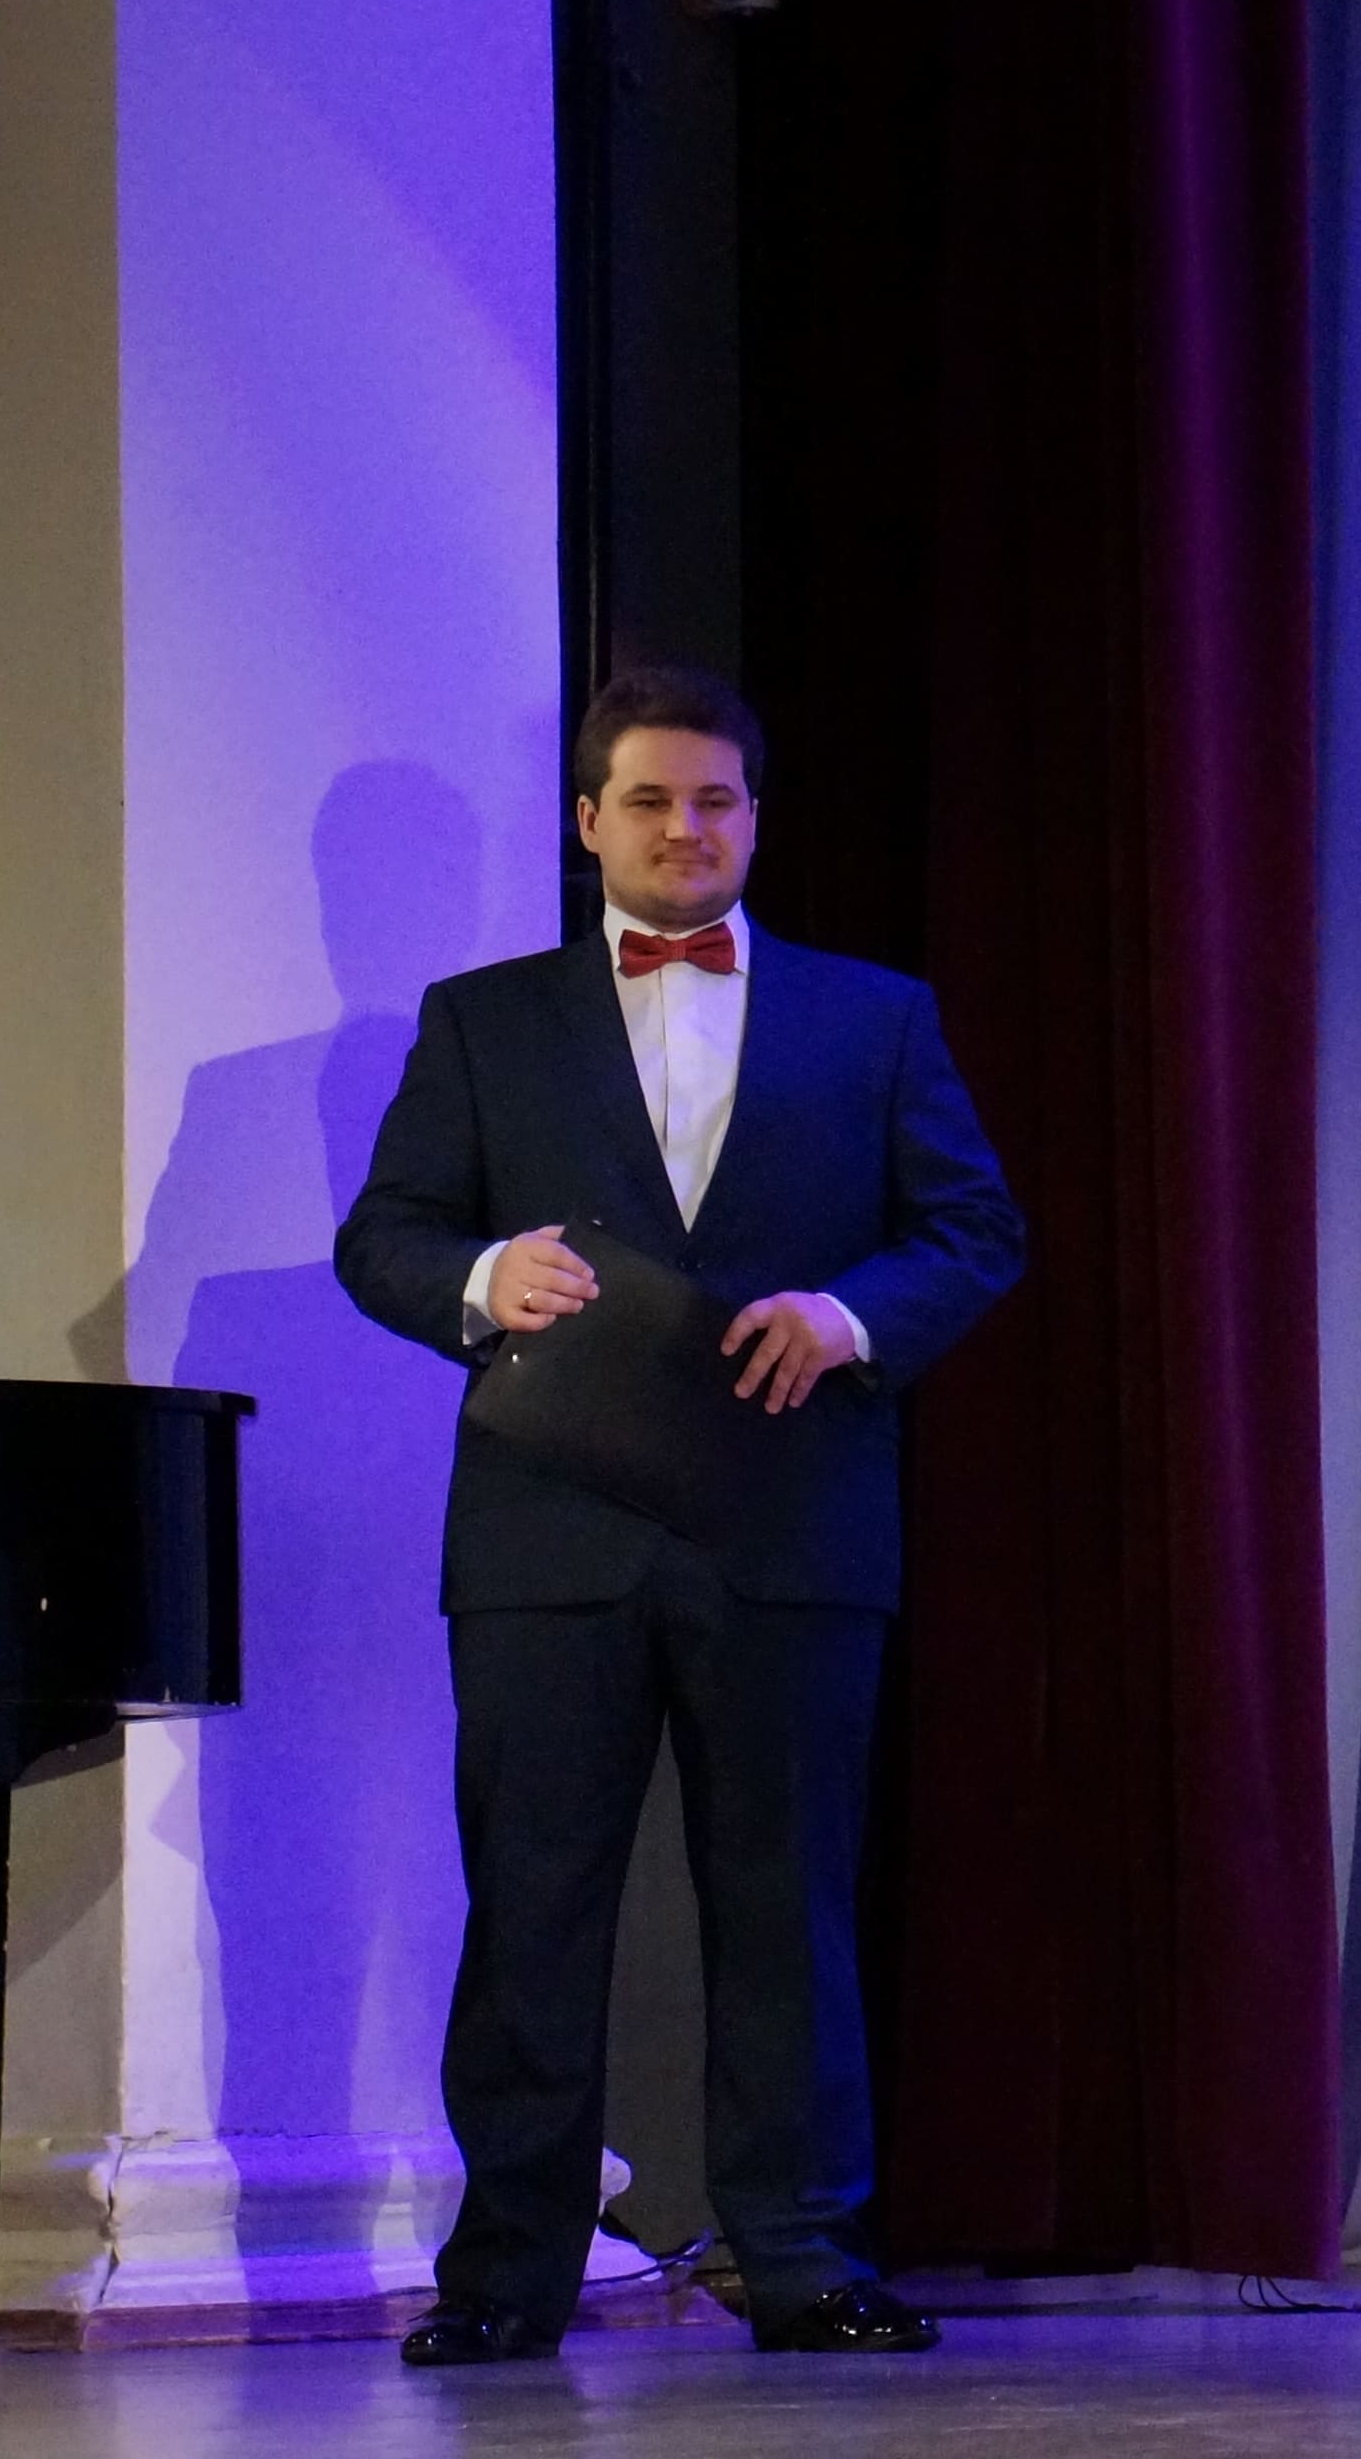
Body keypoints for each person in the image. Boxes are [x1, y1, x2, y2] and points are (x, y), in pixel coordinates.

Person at [335, 666, 1024, 2364]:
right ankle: (509, 2273)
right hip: (548, 1538)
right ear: (590, 823)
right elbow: (385, 1239)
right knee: (534, 1906)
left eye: (715, 800)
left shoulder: (875, 1017)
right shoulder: (485, 1021)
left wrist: (848, 1316)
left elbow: (973, 1231)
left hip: (789, 1526)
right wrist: (486, 1277)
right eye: (648, 800)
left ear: (755, 821)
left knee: (788, 1906)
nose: (684, 829)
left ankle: (805, 2260)